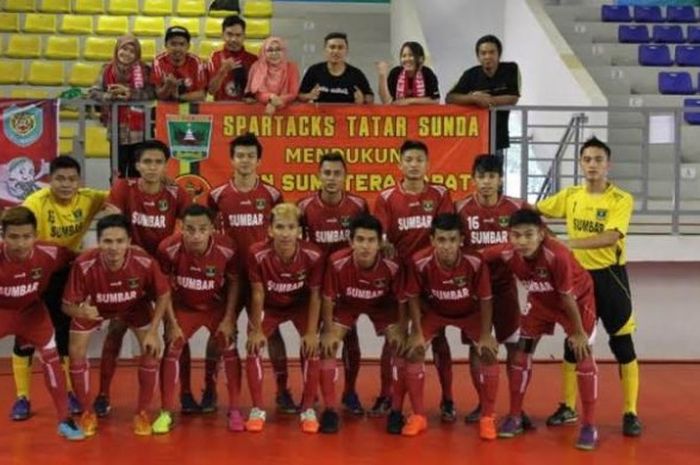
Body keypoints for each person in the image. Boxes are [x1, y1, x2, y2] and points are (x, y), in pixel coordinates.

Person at [536, 136, 642, 437]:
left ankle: (630, 412)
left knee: (622, 344)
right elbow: (533, 210)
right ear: (581, 164)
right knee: (575, 342)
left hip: (610, 278)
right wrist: (541, 234)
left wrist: (564, 243)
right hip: (577, 280)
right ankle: (568, 406)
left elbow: (610, 236)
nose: (592, 164)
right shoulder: (570, 196)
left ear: (608, 165)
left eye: (598, 159)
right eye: (587, 159)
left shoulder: (621, 199)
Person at [482, 209, 599, 451]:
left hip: (576, 302)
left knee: (582, 355)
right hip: (541, 302)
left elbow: (567, 297)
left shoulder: (558, 255)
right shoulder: (506, 252)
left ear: (541, 234)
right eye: (516, 235)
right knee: (521, 353)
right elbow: (480, 257)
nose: (522, 242)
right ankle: (515, 416)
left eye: (528, 235)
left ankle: (589, 425)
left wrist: (577, 333)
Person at [95, 140, 191, 418]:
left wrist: (168, 253)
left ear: (165, 165)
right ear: (137, 165)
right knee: (116, 329)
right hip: (130, 270)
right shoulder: (124, 189)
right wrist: (133, 254)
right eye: (147, 162)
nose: (152, 167)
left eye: (158, 162)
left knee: (175, 334)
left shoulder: (177, 193)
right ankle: (103, 394)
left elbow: (189, 229)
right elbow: (113, 225)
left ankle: (183, 394)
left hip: (163, 272)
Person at [10, 156, 108, 421]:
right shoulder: (34, 204)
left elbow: (120, 196)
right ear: (50, 180)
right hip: (38, 271)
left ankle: (67, 392)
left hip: (67, 269)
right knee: (26, 336)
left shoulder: (89, 198)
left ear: (79, 181)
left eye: (72, 179)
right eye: (60, 179)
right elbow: (20, 235)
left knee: (63, 334)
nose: (66, 184)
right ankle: (22, 397)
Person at [207, 132, 296, 414]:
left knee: (270, 332)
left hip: (264, 278)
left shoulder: (271, 194)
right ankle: (209, 391)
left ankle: (283, 391)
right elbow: (207, 233)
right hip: (229, 278)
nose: (245, 160)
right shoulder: (217, 195)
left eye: (250, 156)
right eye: (240, 155)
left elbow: (282, 229)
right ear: (232, 160)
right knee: (219, 332)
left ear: (259, 160)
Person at [62, 214, 170, 437]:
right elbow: (66, 306)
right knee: (76, 352)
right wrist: (80, 311)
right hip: (94, 308)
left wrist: (153, 331)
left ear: (129, 241)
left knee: (151, 351)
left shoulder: (144, 261)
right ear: (98, 242)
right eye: (107, 241)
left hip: (134, 307)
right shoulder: (84, 263)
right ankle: (87, 413)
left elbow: (163, 294)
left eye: (120, 241)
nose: (113, 248)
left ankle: (141, 412)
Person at [374, 139, 455, 424]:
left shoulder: (441, 194)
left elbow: (447, 231)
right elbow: (380, 235)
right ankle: (387, 395)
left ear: (427, 164)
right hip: (397, 279)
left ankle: (448, 398)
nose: (414, 164)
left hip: (431, 280)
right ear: (399, 164)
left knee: (438, 337)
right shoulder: (386, 198)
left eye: (419, 159)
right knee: (394, 338)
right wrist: (384, 244)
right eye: (408, 159)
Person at [401, 213, 498, 438]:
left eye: (452, 240)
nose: (447, 246)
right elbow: (413, 297)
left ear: (461, 240)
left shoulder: (475, 262)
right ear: (432, 240)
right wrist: (415, 332)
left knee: (488, 352)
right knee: (414, 350)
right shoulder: (419, 261)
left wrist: (485, 334)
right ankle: (418, 416)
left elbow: (485, 299)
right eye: (442, 240)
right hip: (435, 313)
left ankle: (488, 417)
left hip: (469, 313)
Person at [454, 154, 529, 427]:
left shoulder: (516, 208)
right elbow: (454, 246)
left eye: (491, 177)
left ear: (500, 180)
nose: (486, 182)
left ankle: (516, 408)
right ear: (473, 179)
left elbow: (538, 238)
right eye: (481, 176)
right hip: (473, 293)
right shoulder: (460, 208)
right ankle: (483, 404)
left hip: (505, 288)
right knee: (478, 348)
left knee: (515, 346)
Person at [153, 204, 242, 433]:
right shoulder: (168, 248)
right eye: (190, 229)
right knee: (173, 346)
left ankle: (234, 409)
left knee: (228, 344)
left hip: (216, 306)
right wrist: (171, 323)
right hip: (184, 306)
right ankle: (166, 411)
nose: (196, 235)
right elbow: (164, 290)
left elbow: (234, 281)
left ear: (212, 228)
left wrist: (230, 317)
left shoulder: (227, 247)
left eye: (202, 229)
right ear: (181, 227)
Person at [0, 207, 85, 440]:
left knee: (52, 359)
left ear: (35, 235)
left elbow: (82, 259)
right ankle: (22, 397)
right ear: (3, 236)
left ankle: (65, 421)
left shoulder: (51, 253)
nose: (20, 244)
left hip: (33, 314)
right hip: (2, 312)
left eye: (26, 236)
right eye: (13, 237)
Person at [317, 214, 403, 434]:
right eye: (361, 240)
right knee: (327, 347)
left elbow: (403, 300)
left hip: (381, 305)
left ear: (380, 242)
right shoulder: (336, 261)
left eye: (371, 240)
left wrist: (402, 329)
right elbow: (327, 298)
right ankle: (329, 410)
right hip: (348, 305)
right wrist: (327, 332)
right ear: (351, 241)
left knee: (399, 345)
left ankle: (395, 408)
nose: (366, 246)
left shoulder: (392, 265)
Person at [297, 152, 368, 416]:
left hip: (347, 285)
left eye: (337, 173)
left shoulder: (358, 206)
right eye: (326, 173)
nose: (331, 178)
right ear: (318, 175)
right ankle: (309, 392)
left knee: (349, 339)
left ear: (345, 177)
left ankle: (350, 392)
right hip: (314, 285)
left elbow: (366, 239)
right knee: (311, 338)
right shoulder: (304, 207)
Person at [245, 203, 324, 433]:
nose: (286, 233)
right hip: (270, 306)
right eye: (280, 227)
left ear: (299, 231)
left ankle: (308, 409)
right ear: (270, 230)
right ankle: (257, 409)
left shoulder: (313, 254)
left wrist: (310, 333)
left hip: (300, 305)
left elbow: (316, 294)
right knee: (252, 346)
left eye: (291, 227)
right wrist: (257, 329)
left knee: (313, 347)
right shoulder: (256, 253)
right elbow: (258, 292)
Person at [89, 35, 154, 179]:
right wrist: (110, 96)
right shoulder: (107, 69)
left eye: (132, 51)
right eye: (124, 49)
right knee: (116, 174)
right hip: (117, 130)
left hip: (141, 132)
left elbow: (151, 93)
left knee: (137, 173)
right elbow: (93, 92)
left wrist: (130, 93)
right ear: (117, 49)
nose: (127, 54)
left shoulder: (144, 70)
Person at [446, 34, 520, 157]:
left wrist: (485, 100)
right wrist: (473, 98)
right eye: (483, 53)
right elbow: (450, 98)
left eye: (492, 52)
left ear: (499, 54)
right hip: (473, 137)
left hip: (497, 138)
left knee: (494, 174)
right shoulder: (470, 74)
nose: (488, 56)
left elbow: (513, 98)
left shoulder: (511, 69)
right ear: (478, 56)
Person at [298, 32, 374, 104]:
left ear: (346, 51)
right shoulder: (314, 71)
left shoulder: (356, 74)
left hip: (348, 116)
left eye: (340, 48)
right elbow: (300, 95)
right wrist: (309, 96)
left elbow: (370, 97)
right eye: (332, 47)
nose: (336, 51)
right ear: (325, 50)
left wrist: (363, 99)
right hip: (320, 116)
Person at [207, 15, 258, 101]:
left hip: (245, 111)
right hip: (221, 110)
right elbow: (211, 91)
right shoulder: (214, 57)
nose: (233, 39)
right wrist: (222, 71)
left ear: (244, 36)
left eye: (238, 35)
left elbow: (258, 92)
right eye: (229, 34)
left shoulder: (254, 60)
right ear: (222, 35)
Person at [245, 36, 300, 115]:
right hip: (260, 115)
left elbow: (293, 93)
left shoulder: (292, 67)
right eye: (270, 50)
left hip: (288, 115)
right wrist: (271, 97)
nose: (274, 53)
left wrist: (274, 102)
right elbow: (257, 93)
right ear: (264, 52)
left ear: (283, 51)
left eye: (278, 49)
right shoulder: (257, 67)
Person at [153, 26, 207, 102]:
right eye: (173, 44)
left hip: (190, 108)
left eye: (182, 44)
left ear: (188, 46)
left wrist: (178, 97)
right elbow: (158, 95)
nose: (177, 49)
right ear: (166, 45)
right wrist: (167, 86)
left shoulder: (196, 62)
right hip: (165, 107)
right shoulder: (158, 61)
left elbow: (201, 95)